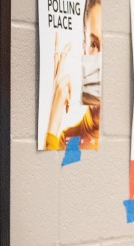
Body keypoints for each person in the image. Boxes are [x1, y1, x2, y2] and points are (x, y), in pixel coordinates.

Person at [44, 0, 101, 150]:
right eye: (93, 44)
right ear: (84, 48)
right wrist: (54, 116)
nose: (99, 62)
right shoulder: (69, 139)